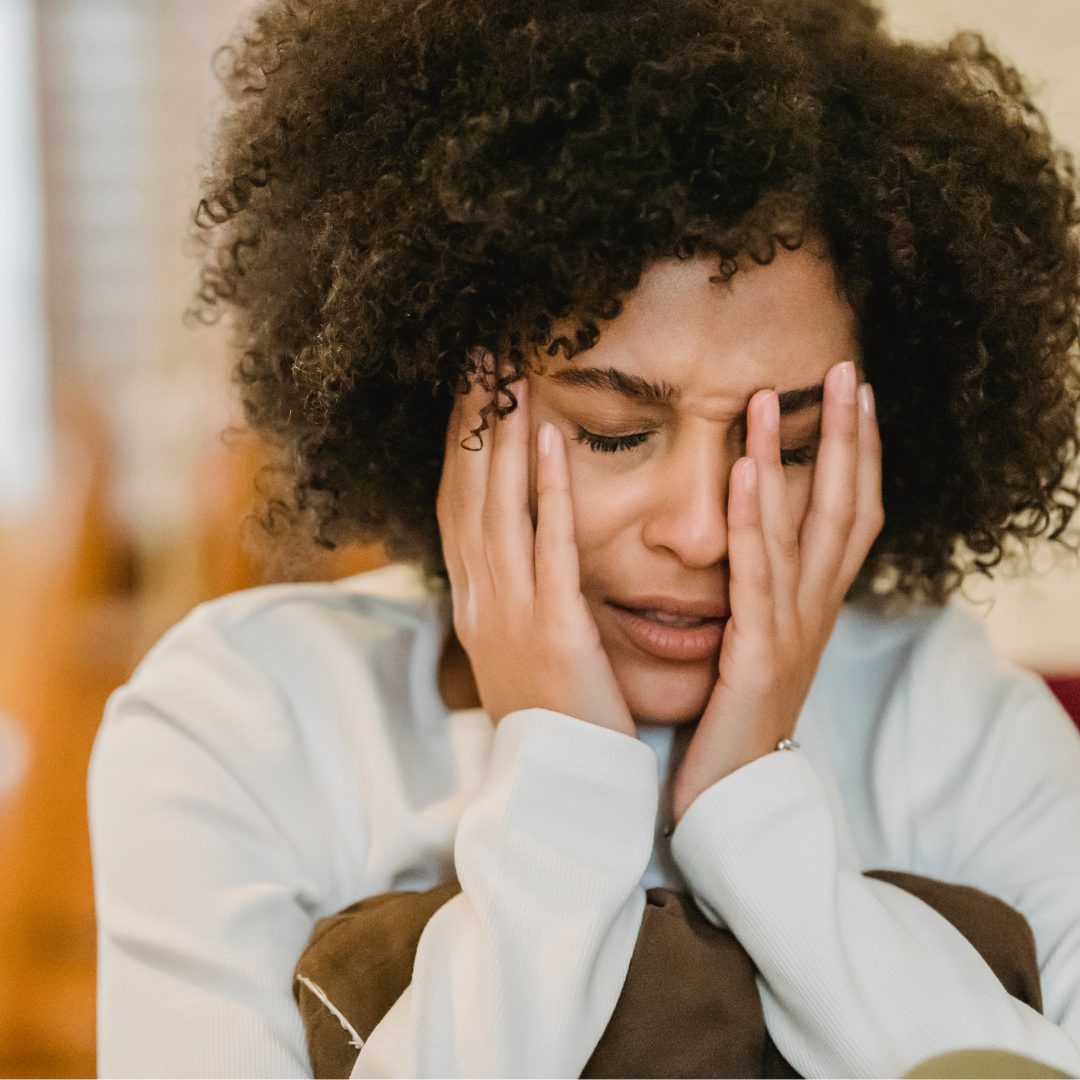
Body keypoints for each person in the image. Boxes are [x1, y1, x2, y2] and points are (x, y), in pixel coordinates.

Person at [88, 0, 1080, 1076]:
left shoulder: (962, 729)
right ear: (440, 403)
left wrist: (756, 803)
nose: (705, 530)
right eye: (613, 433)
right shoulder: (240, 727)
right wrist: (563, 781)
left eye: (787, 446)